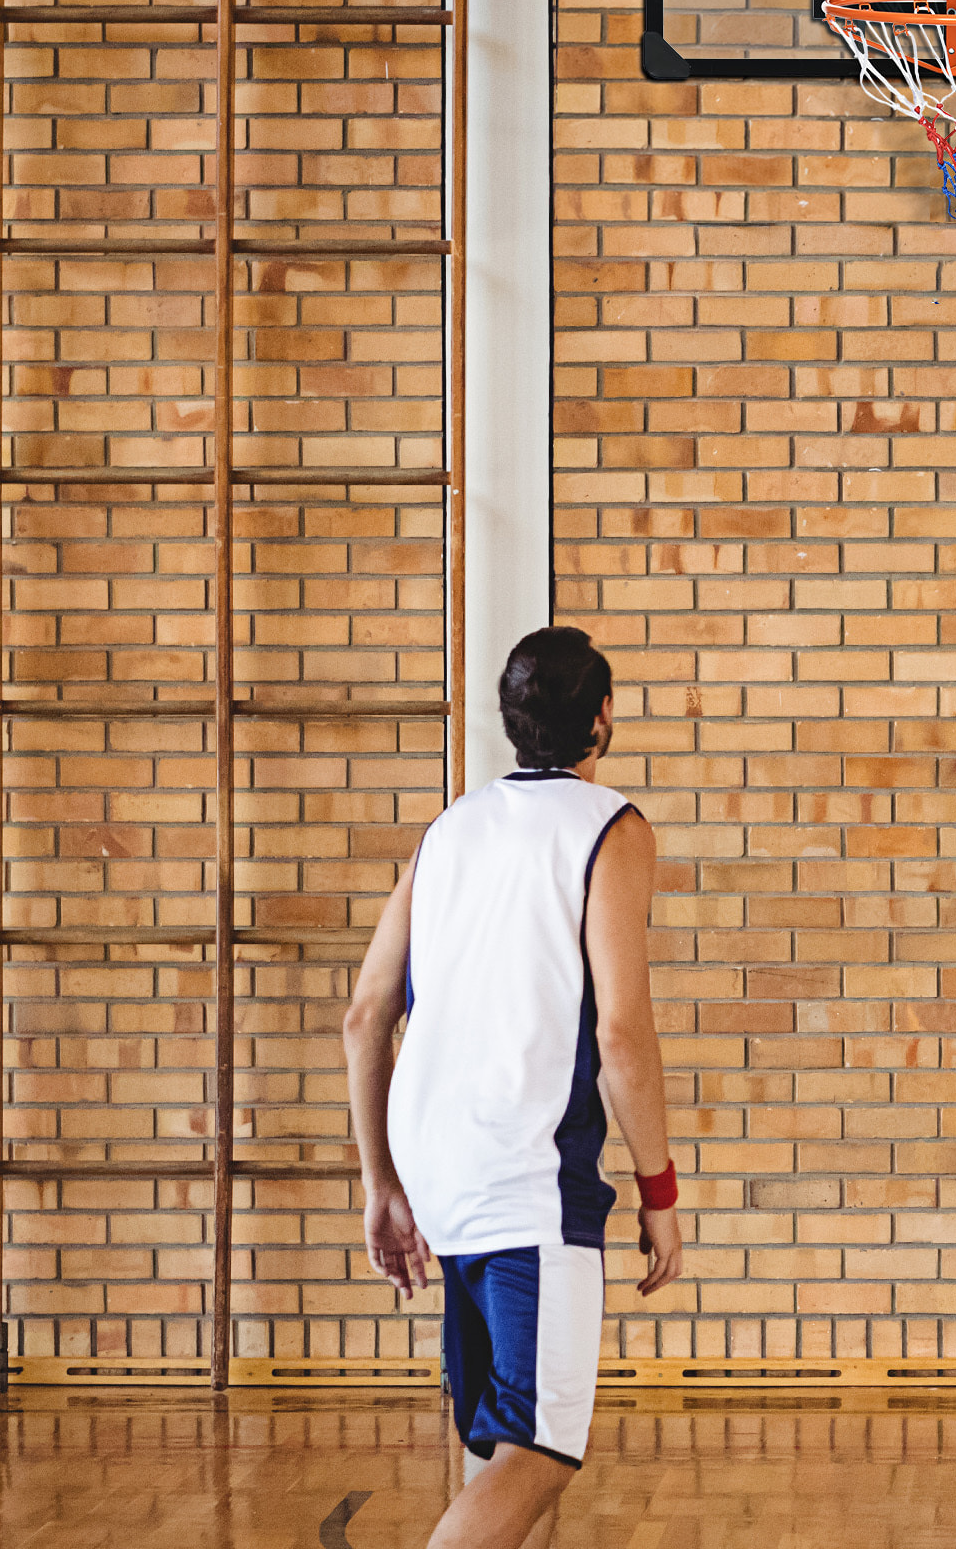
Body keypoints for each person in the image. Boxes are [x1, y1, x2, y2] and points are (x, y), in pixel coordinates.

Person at [343, 626, 681, 1549]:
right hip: (526, 1176)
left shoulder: (445, 831)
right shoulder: (611, 826)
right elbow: (620, 1031)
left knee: (498, 1446)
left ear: (510, 719)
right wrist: (660, 1191)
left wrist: (381, 1184)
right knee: (541, 1448)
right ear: (601, 718)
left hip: (438, 1173)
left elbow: (366, 1014)